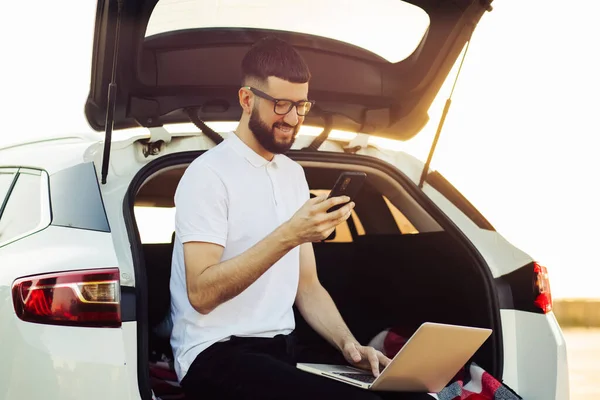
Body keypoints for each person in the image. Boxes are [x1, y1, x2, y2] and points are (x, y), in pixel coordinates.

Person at [169, 36, 431, 400]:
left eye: (301, 105)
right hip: (214, 354)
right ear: (247, 99)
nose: (293, 118)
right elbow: (201, 294)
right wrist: (289, 235)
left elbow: (307, 286)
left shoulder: (293, 175)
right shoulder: (208, 175)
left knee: (410, 393)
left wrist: (350, 346)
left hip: (282, 351)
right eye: (280, 105)